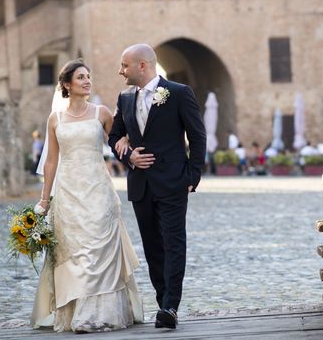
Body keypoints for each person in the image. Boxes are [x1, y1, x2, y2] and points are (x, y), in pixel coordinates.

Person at [31, 59, 143, 333]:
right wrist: (45, 200)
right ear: (67, 85)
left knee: (99, 247)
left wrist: (131, 152)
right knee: (74, 251)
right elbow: (51, 161)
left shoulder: (101, 113)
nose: (87, 81)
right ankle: (75, 312)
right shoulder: (55, 119)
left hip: (98, 191)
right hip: (68, 192)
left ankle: (101, 314)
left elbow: (119, 142)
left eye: (88, 76)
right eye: (81, 77)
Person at [109, 44, 206, 330]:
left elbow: (198, 136)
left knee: (174, 243)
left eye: (124, 65)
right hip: (141, 185)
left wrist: (192, 176)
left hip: (174, 183)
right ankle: (162, 298)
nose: (120, 71)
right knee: (152, 248)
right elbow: (114, 136)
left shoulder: (178, 93)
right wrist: (128, 156)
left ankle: (169, 307)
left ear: (142, 65)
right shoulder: (125, 99)